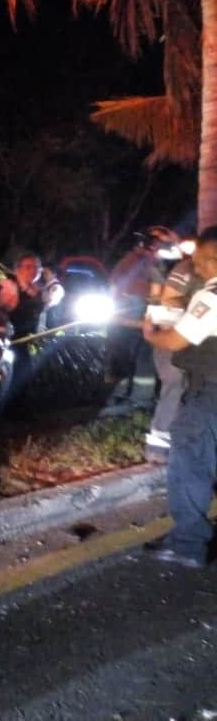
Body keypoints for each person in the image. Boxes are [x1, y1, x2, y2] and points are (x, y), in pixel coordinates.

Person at [141, 227, 217, 568]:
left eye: (199, 261)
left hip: (209, 392)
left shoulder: (212, 296)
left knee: (189, 463)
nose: (195, 268)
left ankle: (187, 544)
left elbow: (175, 341)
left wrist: (151, 333)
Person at [145, 246, 206, 462]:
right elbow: (168, 300)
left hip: (186, 338)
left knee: (185, 387)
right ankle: (160, 446)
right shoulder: (187, 269)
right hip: (174, 336)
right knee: (176, 384)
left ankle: (169, 444)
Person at [106, 226, 180, 394]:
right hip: (131, 319)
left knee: (143, 359)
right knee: (125, 359)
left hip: (144, 319)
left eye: (161, 242)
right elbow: (120, 283)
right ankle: (122, 395)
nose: (156, 245)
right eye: (154, 241)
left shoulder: (161, 263)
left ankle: (139, 399)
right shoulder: (137, 260)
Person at [0, 252, 63, 338]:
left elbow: (44, 307)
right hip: (11, 340)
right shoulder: (8, 286)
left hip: (30, 339)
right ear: (18, 268)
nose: (33, 271)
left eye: (36, 267)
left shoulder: (37, 288)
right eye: (28, 267)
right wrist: (0, 327)